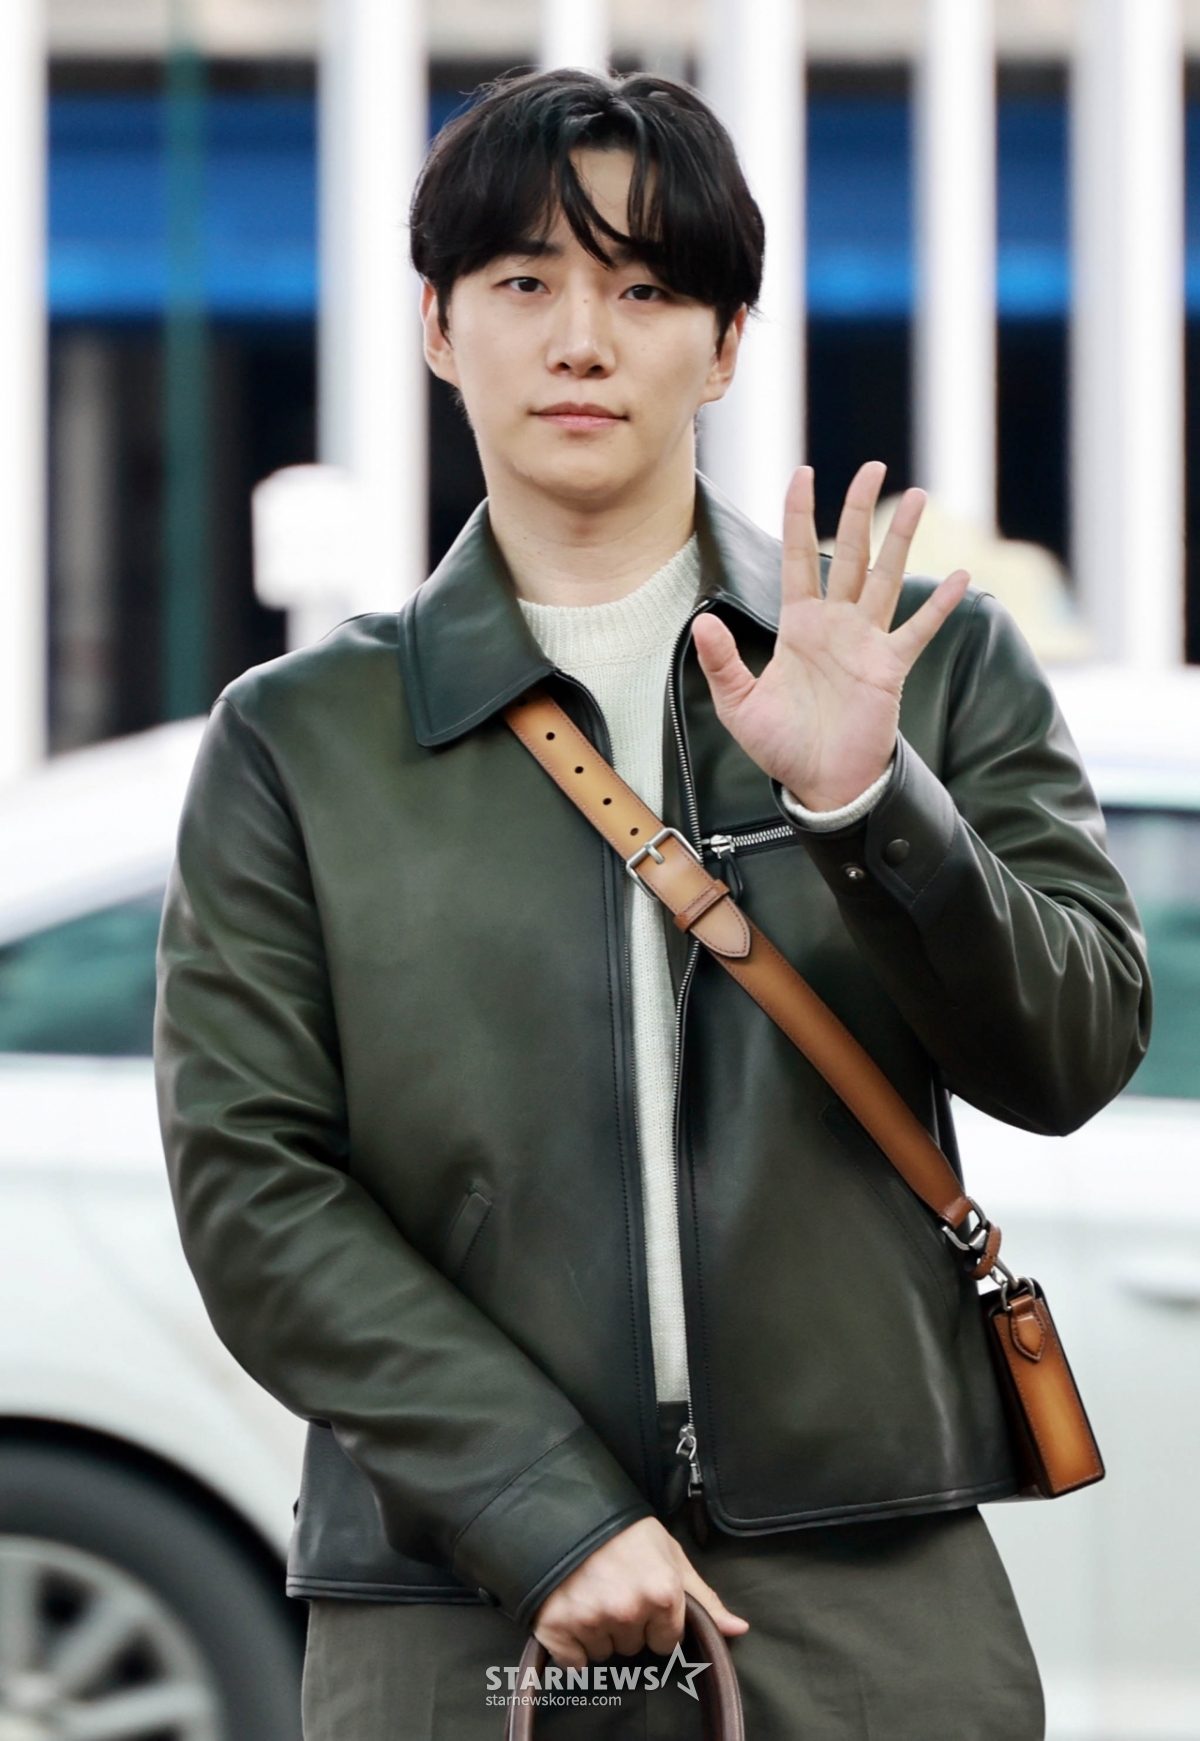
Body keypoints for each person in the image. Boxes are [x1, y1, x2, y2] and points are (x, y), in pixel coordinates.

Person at [154, 68, 1150, 1741]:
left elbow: (1074, 1052)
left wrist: (866, 807)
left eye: (642, 290)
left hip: (863, 1575)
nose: (580, 341)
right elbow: (255, 1187)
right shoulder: (297, 738)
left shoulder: (924, 663)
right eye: (523, 281)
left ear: (728, 341)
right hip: (463, 1589)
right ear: (437, 325)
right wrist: (540, 1502)